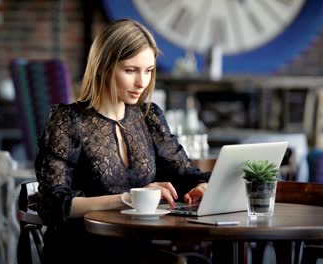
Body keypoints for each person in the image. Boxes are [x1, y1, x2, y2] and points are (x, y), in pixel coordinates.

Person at [35, 18, 211, 263]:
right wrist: (128, 198)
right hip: (80, 249)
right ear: (104, 67)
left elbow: (186, 174)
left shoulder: (149, 117)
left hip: (136, 247)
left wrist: (202, 188)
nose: (142, 82)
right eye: (131, 70)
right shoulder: (68, 120)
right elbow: (53, 204)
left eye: (148, 71)